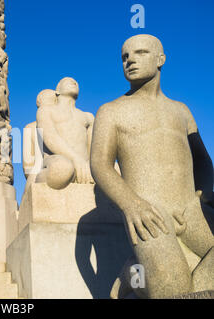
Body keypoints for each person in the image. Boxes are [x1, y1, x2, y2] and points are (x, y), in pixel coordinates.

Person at [90, 34, 214, 298]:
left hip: (191, 211)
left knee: (199, 287)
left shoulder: (182, 110)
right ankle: (134, 274)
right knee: (173, 288)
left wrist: (204, 194)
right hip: (150, 213)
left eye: (140, 53)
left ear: (161, 59)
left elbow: (202, 159)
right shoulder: (111, 111)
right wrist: (130, 204)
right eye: (124, 57)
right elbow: (100, 165)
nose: (130, 60)